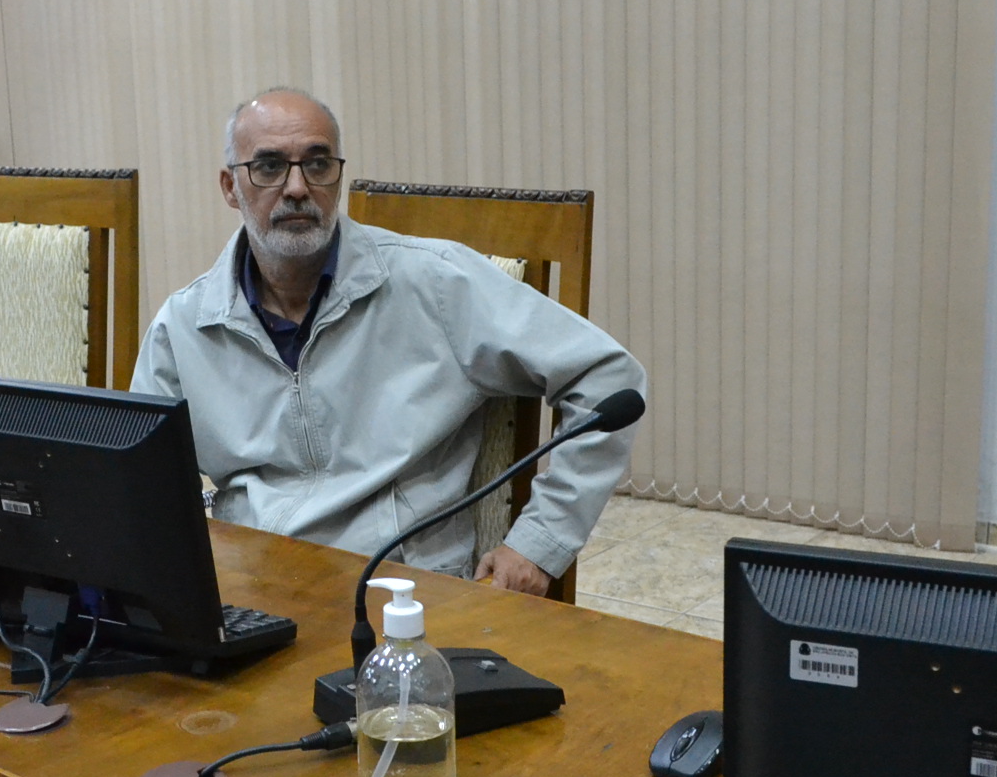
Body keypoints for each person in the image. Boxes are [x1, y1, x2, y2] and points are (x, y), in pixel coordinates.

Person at [130, 88, 645, 596]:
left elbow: (607, 376)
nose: (297, 187)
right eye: (269, 167)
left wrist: (539, 543)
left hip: (401, 591)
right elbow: (141, 480)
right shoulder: (185, 325)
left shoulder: (434, 283)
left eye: (318, 164)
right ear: (230, 187)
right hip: (252, 585)